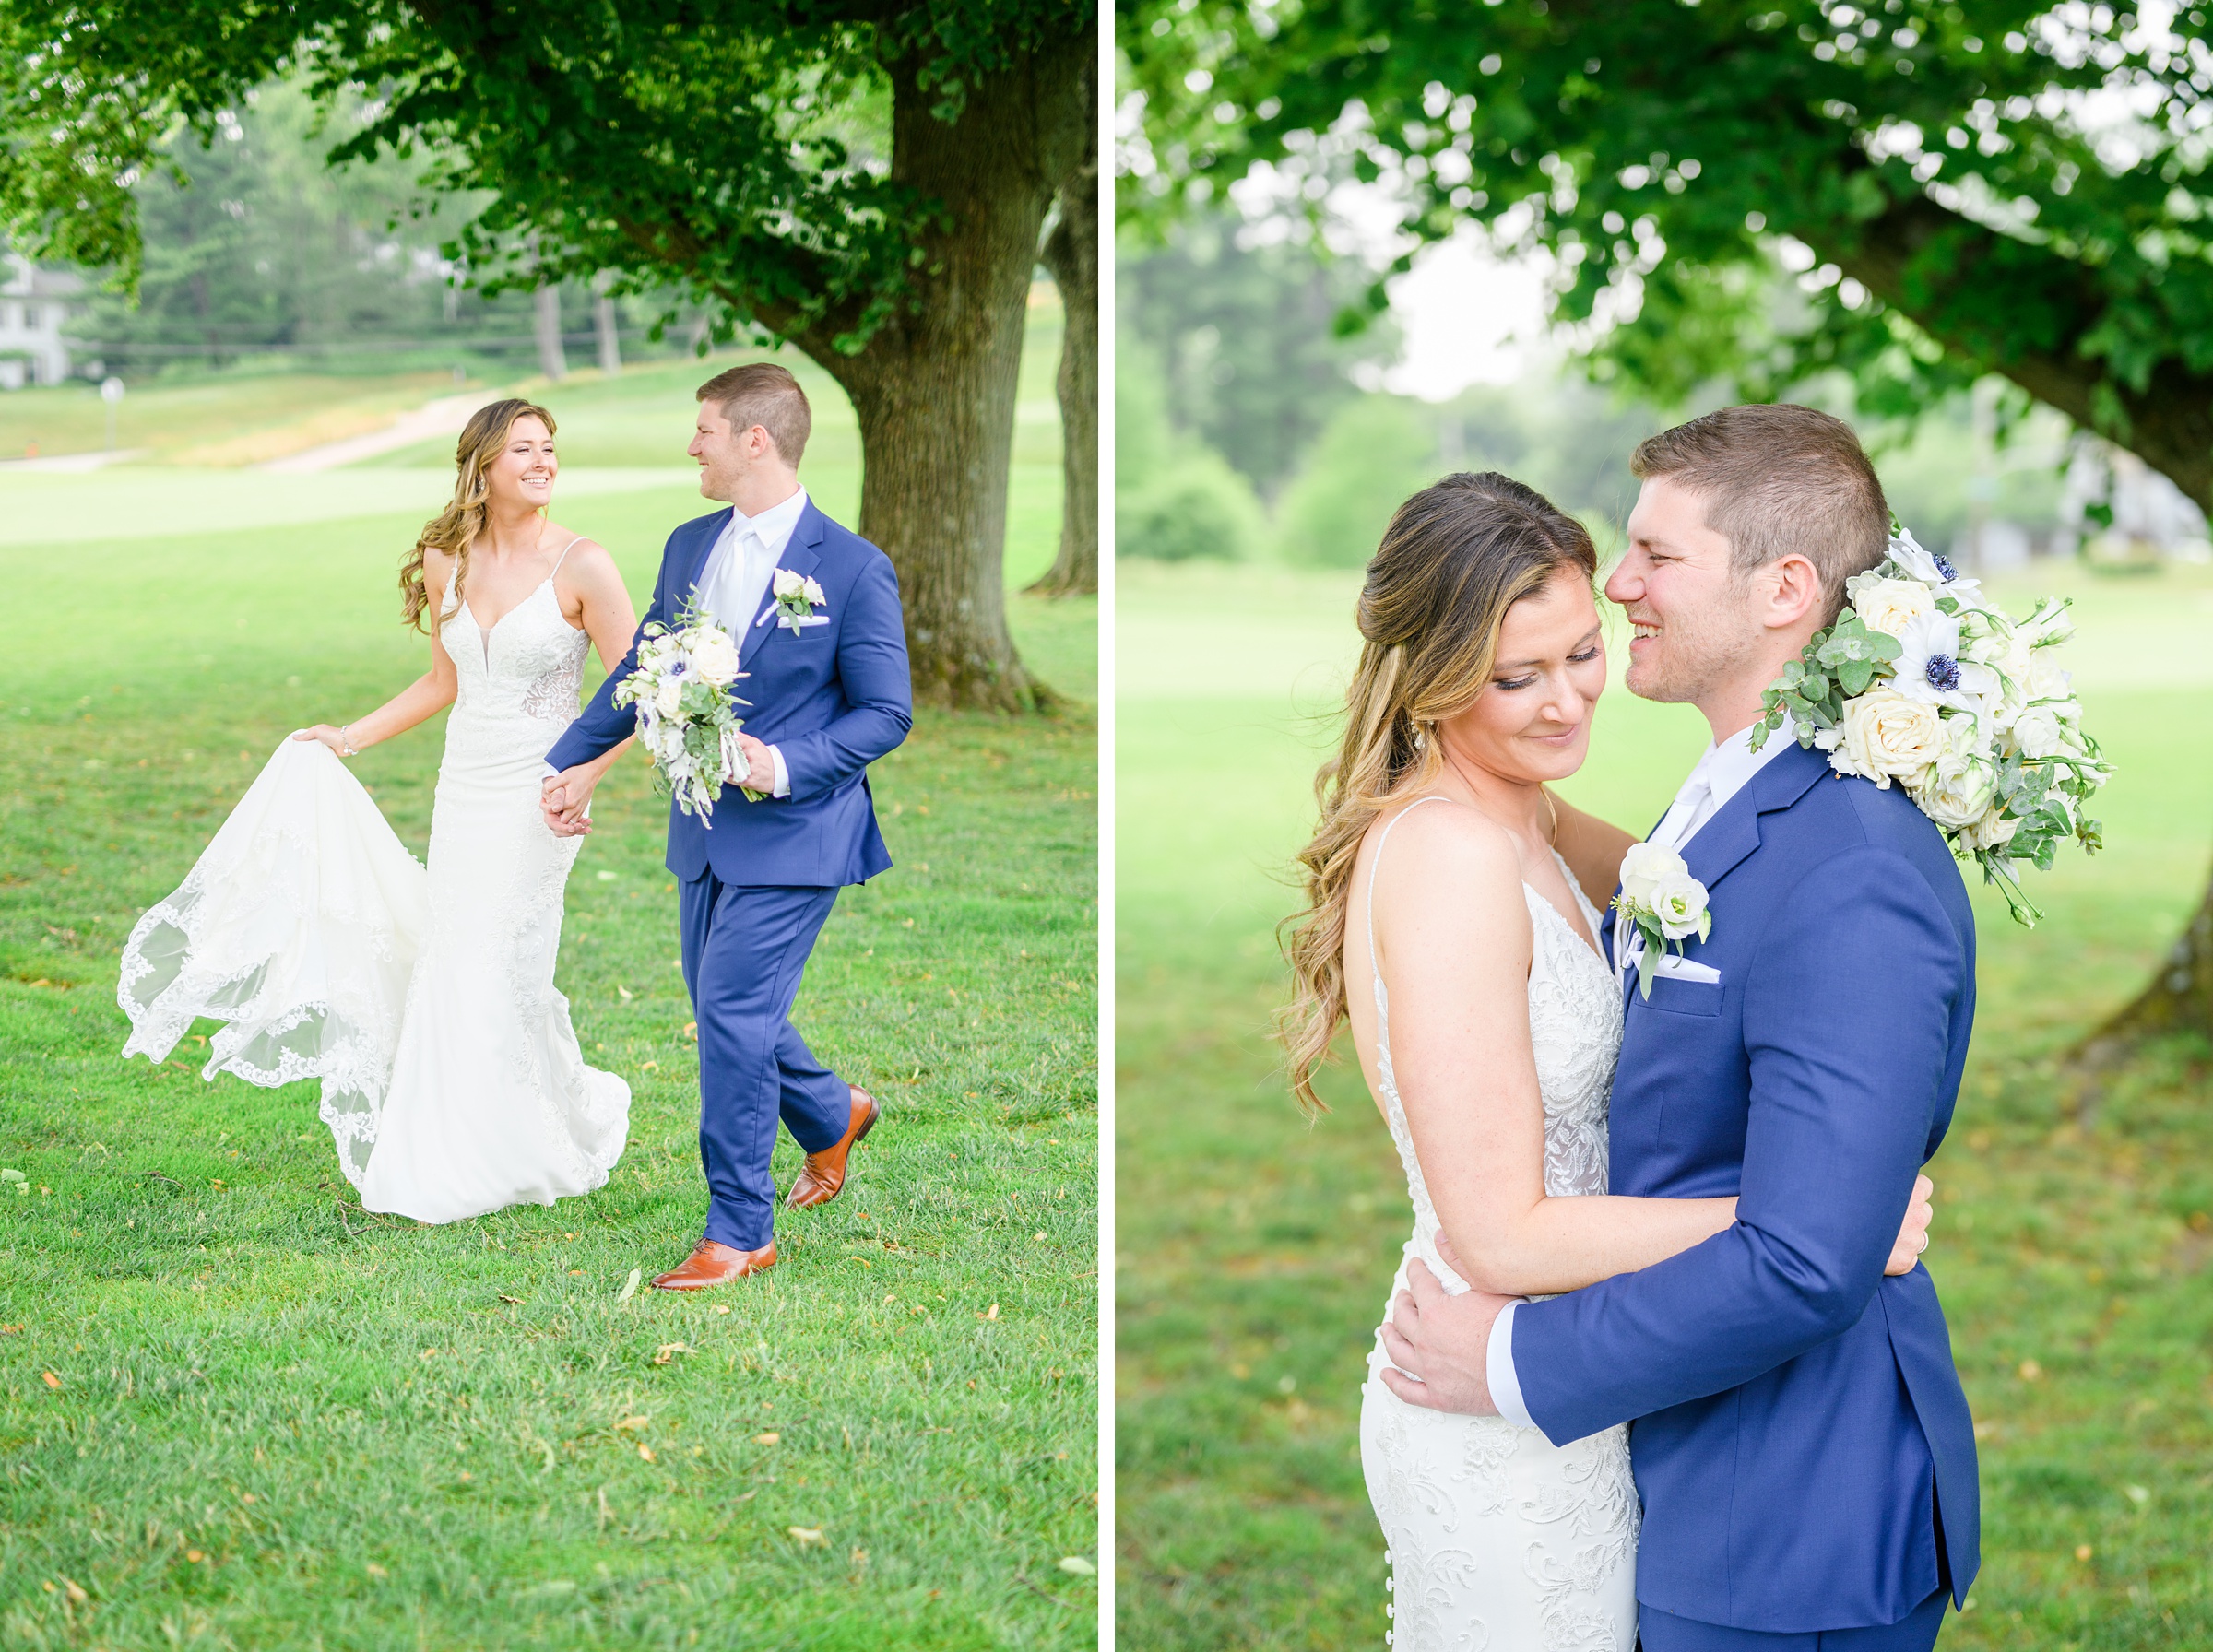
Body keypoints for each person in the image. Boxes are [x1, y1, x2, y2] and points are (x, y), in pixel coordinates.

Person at [1283, 417, 1967, 1652]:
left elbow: (1697, 871)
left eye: (1582, 651)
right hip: (1493, 1370)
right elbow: (1498, 1229)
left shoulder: (1535, 820)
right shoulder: (1446, 856)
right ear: (1429, 675)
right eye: (1513, 676)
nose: (1565, 699)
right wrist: (1829, 1219)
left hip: (1604, 1392)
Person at [118, 398, 637, 1220]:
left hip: (539, 791)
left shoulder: (586, 565)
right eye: (524, 450)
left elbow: (633, 691)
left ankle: (501, 1149)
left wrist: (585, 775)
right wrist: (347, 738)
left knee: (493, 959)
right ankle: (476, 1138)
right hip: (463, 788)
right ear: (483, 468)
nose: (544, 462)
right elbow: (444, 682)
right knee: (458, 958)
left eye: (550, 448)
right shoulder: (447, 560)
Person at [541, 362, 912, 1291]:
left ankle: (739, 1231)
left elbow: (884, 713)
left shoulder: (855, 568)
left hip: (799, 831)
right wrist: (565, 761)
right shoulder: (688, 543)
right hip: (703, 831)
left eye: (704, 429)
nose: (692, 444)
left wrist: (782, 764)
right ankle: (832, 1112)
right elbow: (644, 666)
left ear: (755, 439)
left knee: (736, 1020)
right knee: (722, 1009)